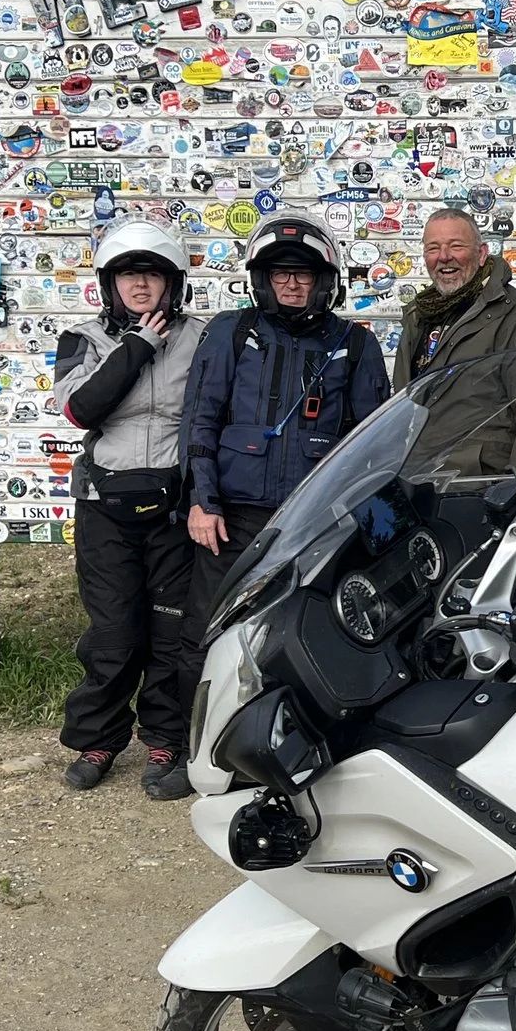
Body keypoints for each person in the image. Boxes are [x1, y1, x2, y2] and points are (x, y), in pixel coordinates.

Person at [178, 215, 389, 752]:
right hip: (233, 518)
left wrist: (367, 524)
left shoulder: (356, 345)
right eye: (280, 274)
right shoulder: (231, 332)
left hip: (314, 524)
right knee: (205, 630)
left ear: (325, 281)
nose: (292, 284)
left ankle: (292, 742)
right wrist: (203, 502)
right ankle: (192, 746)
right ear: (261, 279)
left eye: (303, 274)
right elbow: (200, 423)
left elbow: (376, 447)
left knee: (302, 633)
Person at [50, 219, 207, 798]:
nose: (140, 285)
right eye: (127, 274)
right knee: (114, 633)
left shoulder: (201, 338)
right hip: (104, 507)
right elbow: (80, 410)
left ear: (173, 283)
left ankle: (165, 737)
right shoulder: (84, 340)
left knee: (171, 635)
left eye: (152, 274)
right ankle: (98, 738)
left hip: (172, 507)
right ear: (108, 284)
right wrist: (138, 346)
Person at [395, 207, 516, 475]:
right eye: (433, 248)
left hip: (480, 489)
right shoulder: (419, 316)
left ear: (482, 253)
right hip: (420, 485)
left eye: (456, 246)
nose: (444, 257)